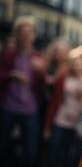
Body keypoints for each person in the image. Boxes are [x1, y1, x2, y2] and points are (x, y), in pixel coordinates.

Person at [0, 16, 46, 167]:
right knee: (3, 146)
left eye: (29, 32)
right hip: (8, 106)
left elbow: (44, 85)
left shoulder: (38, 58)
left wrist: (41, 73)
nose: (26, 35)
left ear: (34, 35)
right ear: (17, 34)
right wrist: (11, 75)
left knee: (30, 150)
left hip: (30, 109)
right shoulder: (8, 54)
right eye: (22, 32)